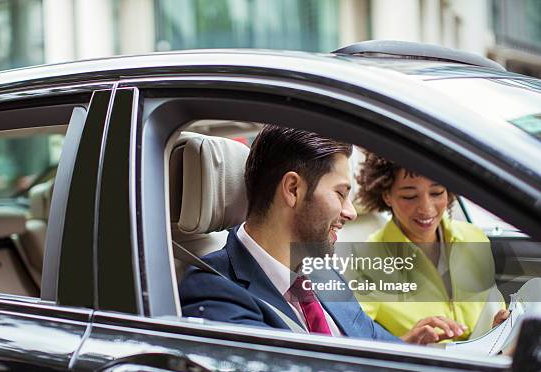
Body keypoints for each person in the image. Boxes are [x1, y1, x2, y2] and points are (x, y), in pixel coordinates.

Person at [179, 125, 466, 344]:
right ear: (293, 190)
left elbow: (373, 342)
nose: (351, 212)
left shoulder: (322, 272)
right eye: (340, 193)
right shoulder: (214, 292)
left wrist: (412, 350)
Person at [353, 151, 509, 342]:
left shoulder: (473, 236)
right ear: (387, 196)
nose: (426, 208)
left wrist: (498, 328)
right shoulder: (366, 261)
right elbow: (356, 344)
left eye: (436, 193)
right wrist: (408, 342)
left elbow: (490, 310)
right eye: (409, 196)